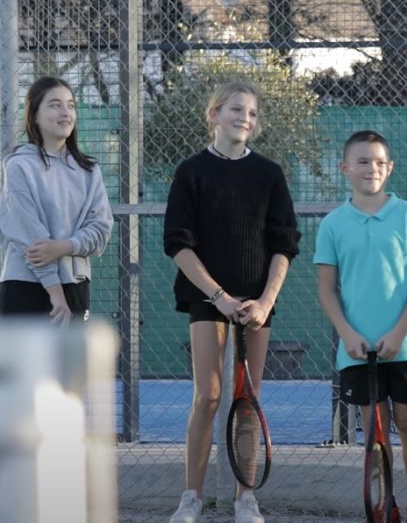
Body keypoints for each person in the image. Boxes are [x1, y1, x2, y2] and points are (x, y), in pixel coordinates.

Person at [163, 80, 300, 523]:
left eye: (252, 113)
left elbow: (284, 245)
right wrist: (219, 297)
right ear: (214, 115)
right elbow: (179, 244)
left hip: (256, 304)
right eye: (236, 109)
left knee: (247, 398)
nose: (245, 117)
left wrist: (264, 301)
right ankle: (192, 498)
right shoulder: (191, 172)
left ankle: (246, 499)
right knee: (208, 396)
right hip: (209, 301)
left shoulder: (269, 175)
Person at [314, 130, 407, 523]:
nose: (372, 169)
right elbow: (327, 291)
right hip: (357, 349)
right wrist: (348, 334)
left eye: (380, 162)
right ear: (345, 168)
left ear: (391, 168)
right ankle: (385, 502)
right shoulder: (333, 224)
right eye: (363, 161)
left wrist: (399, 333)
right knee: (375, 428)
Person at [0, 76, 113, 324]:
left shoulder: (89, 170)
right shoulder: (18, 166)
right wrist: (55, 292)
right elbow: (27, 234)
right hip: (26, 284)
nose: (65, 112)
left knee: (72, 364)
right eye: (54, 105)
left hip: (75, 285)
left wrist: (65, 247)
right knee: (26, 364)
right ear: (35, 116)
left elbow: (101, 230)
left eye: (71, 105)